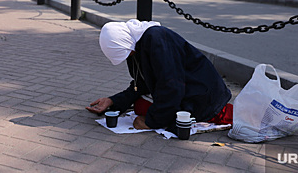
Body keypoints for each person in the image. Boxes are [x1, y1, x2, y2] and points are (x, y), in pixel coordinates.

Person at [86, 19, 232, 135]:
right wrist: (112, 101)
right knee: (140, 106)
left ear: (126, 44)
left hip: (202, 95)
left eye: (126, 54)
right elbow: (141, 83)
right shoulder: (135, 46)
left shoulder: (157, 40)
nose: (128, 57)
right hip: (183, 89)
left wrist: (150, 122)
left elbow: (172, 86)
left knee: (147, 111)